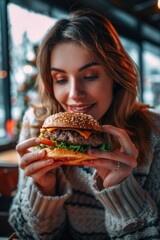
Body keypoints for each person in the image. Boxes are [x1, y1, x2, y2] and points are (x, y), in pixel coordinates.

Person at [9, 9, 160, 240]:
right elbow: (26, 233)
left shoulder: (153, 133)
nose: (74, 94)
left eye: (89, 76)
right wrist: (44, 190)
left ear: (115, 76)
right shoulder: (36, 125)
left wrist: (121, 192)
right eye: (60, 79)